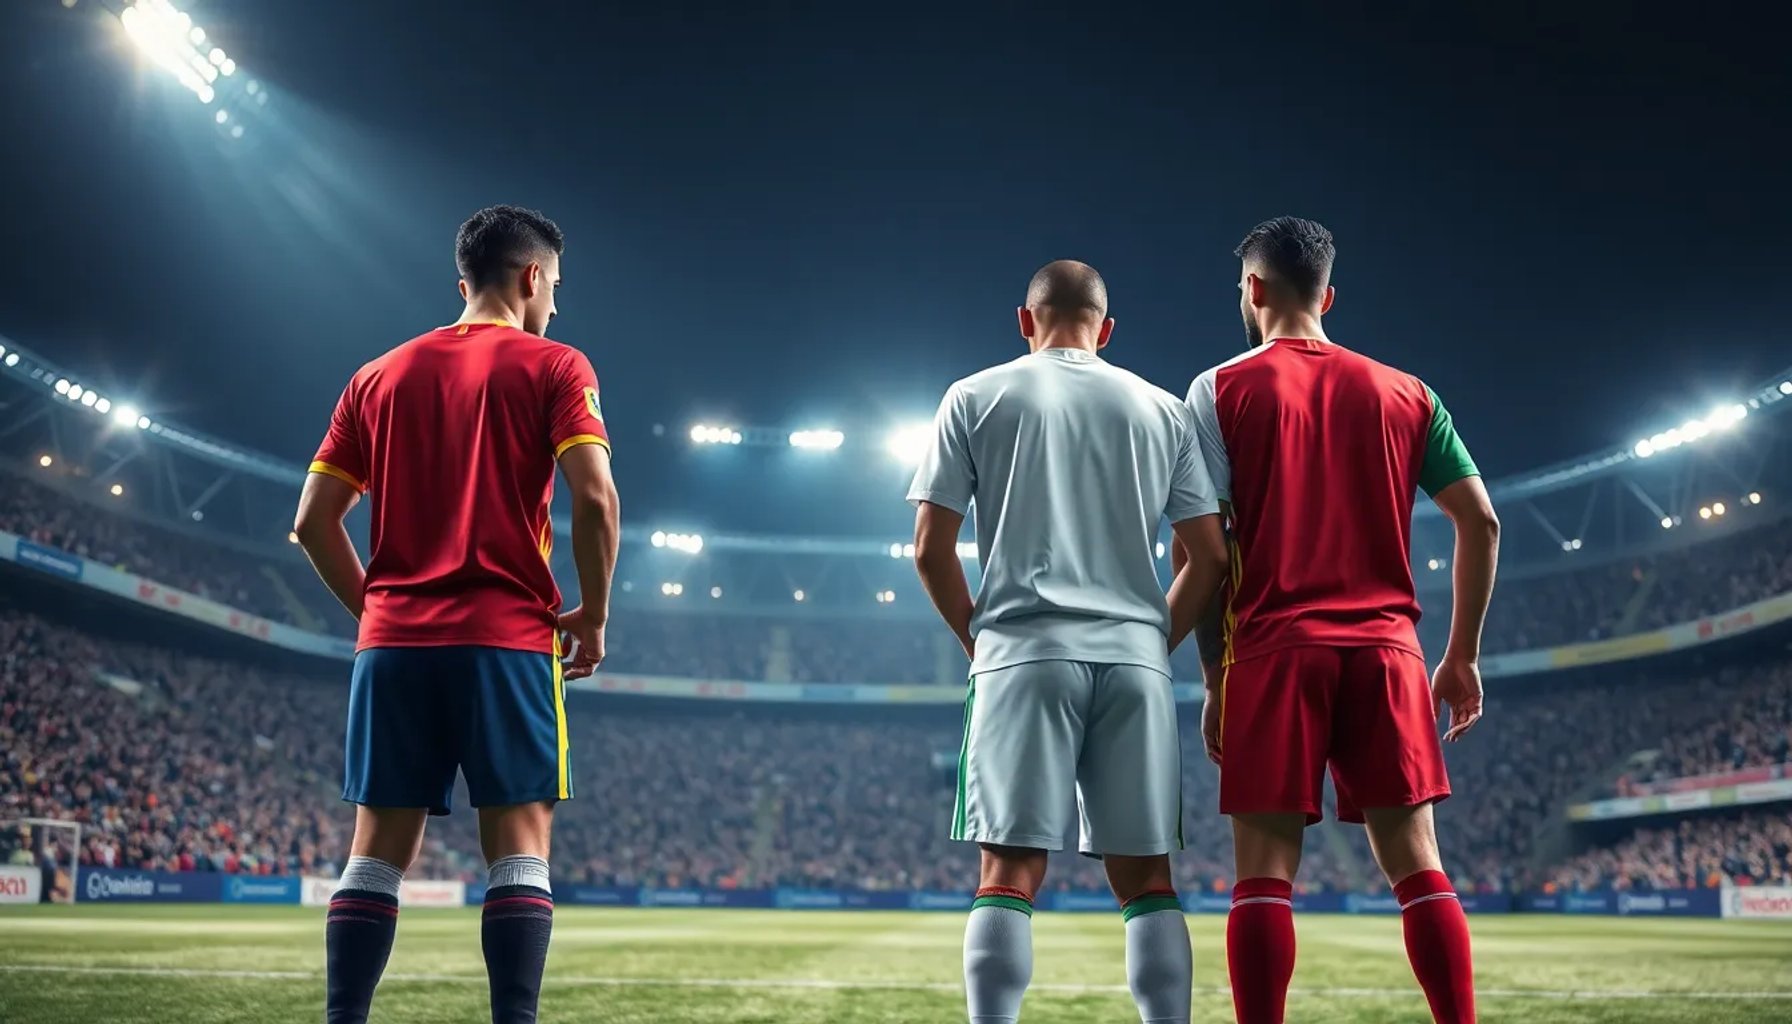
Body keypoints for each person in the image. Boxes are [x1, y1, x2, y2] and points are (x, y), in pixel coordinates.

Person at [293, 204, 621, 1024]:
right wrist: (594, 616)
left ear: (462, 279)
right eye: (556, 289)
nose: (555, 307)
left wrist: (379, 612)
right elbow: (596, 498)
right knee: (518, 842)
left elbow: (310, 522)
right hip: (506, 638)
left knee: (374, 853)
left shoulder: (377, 375)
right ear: (533, 276)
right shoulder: (554, 365)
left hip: (395, 645)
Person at [1180, 216, 1499, 1024]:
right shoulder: (1409, 392)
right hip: (1388, 650)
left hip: (1273, 649)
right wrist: (1460, 656)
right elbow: (1483, 523)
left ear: (1252, 290)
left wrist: (1215, 682)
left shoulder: (1218, 389)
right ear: (1329, 294)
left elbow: (1208, 554)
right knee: (1419, 867)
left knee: (1263, 874)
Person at [909, 260, 1231, 1024]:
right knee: (1147, 877)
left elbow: (929, 547)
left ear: (1025, 321)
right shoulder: (1161, 409)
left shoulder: (976, 394)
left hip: (1023, 650)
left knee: (1009, 870)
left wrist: (977, 639)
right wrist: (1154, 640)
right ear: (1106, 329)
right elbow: (1210, 555)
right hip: (1135, 661)